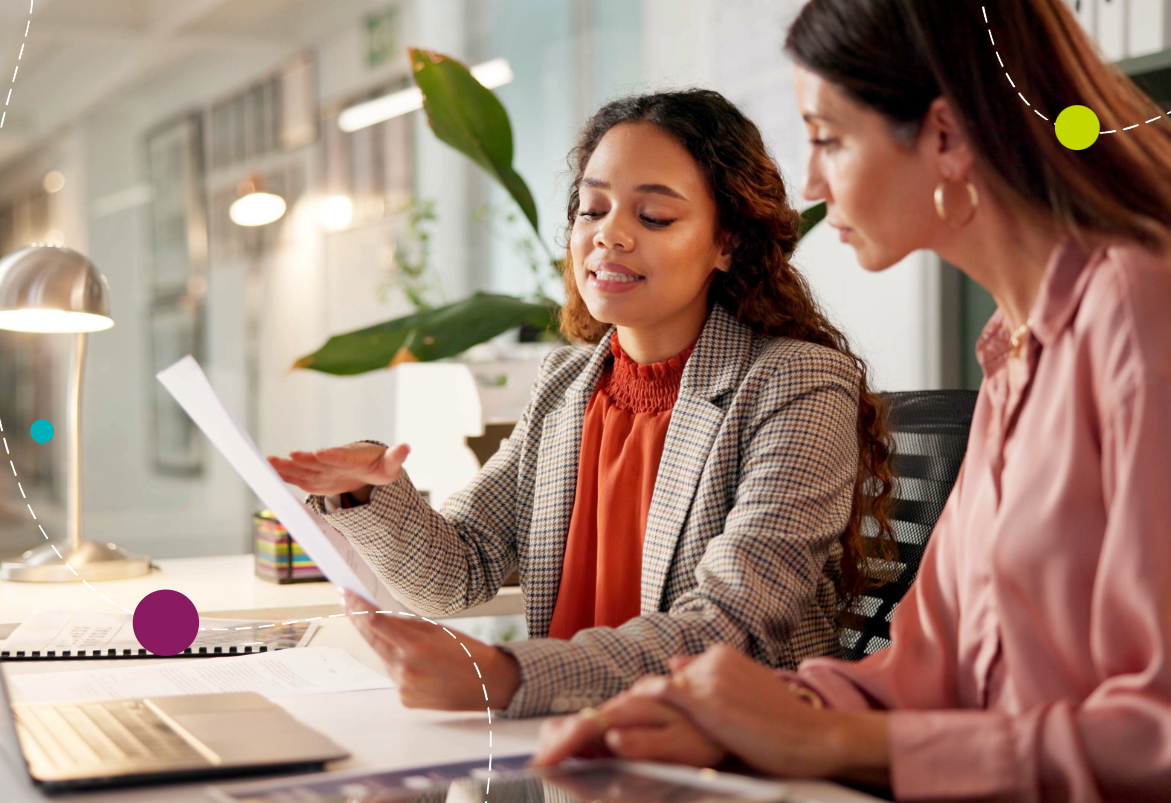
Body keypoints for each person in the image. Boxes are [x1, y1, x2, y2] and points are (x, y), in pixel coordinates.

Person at [532, 0, 1171, 799]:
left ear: (942, 137)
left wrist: (828, 736)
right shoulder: (1017, 353)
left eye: (828, 138)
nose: (808, 181)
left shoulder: (1141, 314)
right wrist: (742, 713)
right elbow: (927, 671)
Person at [269, 89, 895, 719]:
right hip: (571, 751)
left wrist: (507, 675)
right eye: (592, 209)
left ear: (726, 242)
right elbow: (459, 571)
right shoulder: (566, 384)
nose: (609, 235)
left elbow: (730, 625)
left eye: (653, 217)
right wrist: (368, 490)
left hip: (720, 758)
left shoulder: (797, 383)